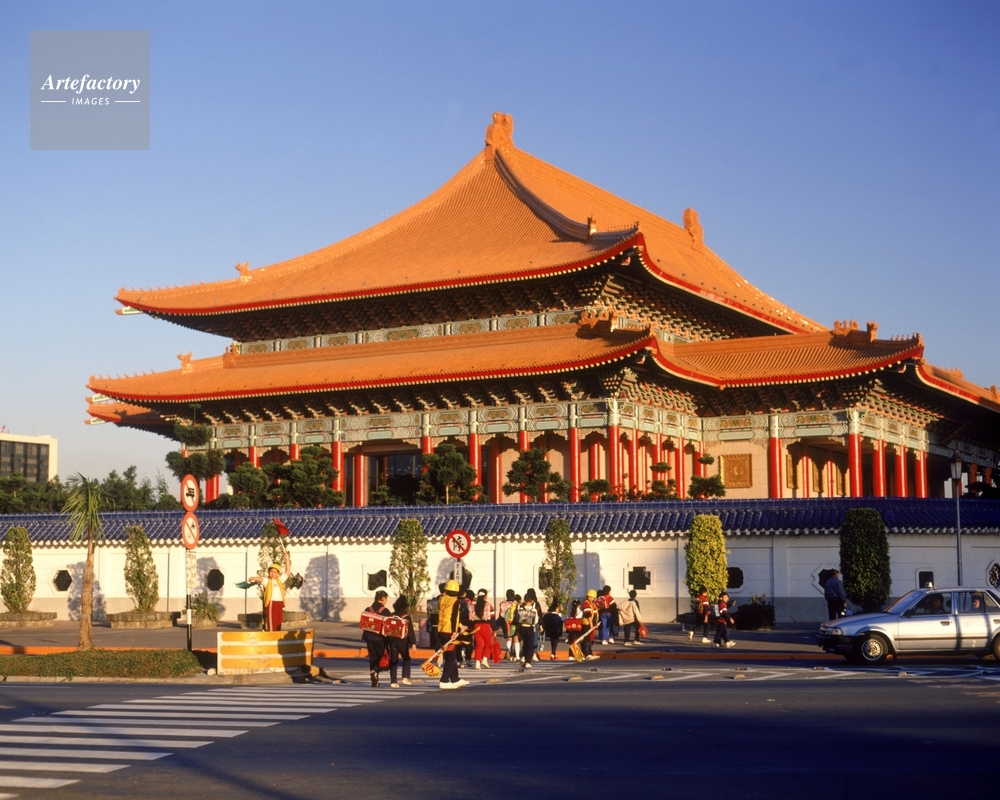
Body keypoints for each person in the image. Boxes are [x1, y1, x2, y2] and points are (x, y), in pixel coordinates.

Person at [436, 579, 469, 689]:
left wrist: (460, 625)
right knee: (451, 658)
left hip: (441, 630)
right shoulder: (455, 601)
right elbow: (454, 617)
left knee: (451, 655)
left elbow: (446, 615)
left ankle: (455, 679)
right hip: (449, 631)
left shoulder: (441, 599)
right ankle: (444, 680)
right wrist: (455, 631)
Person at [246, 551, 291, 632]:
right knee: (272, 625)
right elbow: (261, 579)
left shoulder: (280, 580)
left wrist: (287, 559)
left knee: (278, 624)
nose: (272, 573)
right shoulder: (267, 581)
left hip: (279, 604)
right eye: (271, 571)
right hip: (271, 604)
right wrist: (254, 578)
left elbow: (287, 572)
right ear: (269, 572)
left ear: (278, 574)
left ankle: (277, 638)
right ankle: (271, 637)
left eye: (275, 572)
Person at [362, 590, 391, 687]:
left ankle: (374, 680)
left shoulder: (368, 609)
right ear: (383, 599)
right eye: (386, 599)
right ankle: (375, 671)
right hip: (380, 638)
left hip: (369, 637)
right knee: (381, 657)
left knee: (372, 657)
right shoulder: (385, 611)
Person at [389, 595, 416, 686]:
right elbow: (410, 632)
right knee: (406, 659)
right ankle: (405, 677)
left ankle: (393, 682)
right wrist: (413, 643)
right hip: (402, 641)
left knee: (393, 660)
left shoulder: (391, 615)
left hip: (392, 641)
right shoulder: (406, 617)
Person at [516, 588, 541, 667]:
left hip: (522, 628)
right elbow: (536, 621)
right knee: (530, 645)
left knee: (525, 643)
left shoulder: (521, 609)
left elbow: (517, 619)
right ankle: (528, 661)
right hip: (530, 628)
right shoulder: (534, 610)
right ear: (532, 601)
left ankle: (523, 656)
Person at [471, 589, 494, 669]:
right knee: (488, 644)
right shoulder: (489, 606)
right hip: (486, 626)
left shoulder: (473, 605)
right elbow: (492, 618)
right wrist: (494, 629)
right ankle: (484, 659)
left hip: (476, 626)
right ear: (485, 596)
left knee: (479, 645)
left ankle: (477, 663)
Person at [581, 589, 600, 660]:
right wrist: (591, 624)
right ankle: (586, 654)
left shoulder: (593, 604)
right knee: (586, 639)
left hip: (592, 625)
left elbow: (594, 614)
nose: (591, 598)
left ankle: (589, 652)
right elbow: (588, 615)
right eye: (590, 597)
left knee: (590, 639)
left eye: (592, 597)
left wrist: (595, 624)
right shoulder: (586, 604)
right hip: (586, 624)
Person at [426, 582, 445, 650]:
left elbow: (429, 612)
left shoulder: (434, 600)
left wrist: (430, 621)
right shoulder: (447, 600)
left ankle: (437, 653)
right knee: (444, 641)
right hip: (444, 623)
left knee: (437, 640)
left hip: (434, 623)